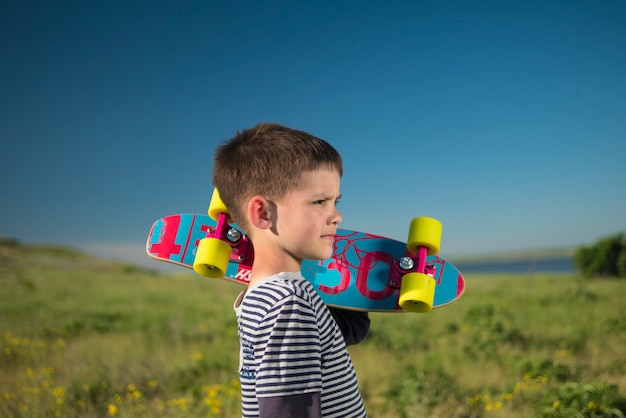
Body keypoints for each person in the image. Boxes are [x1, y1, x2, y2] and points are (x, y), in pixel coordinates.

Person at [212, 122, 369, 417]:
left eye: (335, 201)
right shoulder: (288, 303)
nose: (336, 215)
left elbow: (312, 351)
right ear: (262, 213)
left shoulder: (263, 296)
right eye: (320, 201)